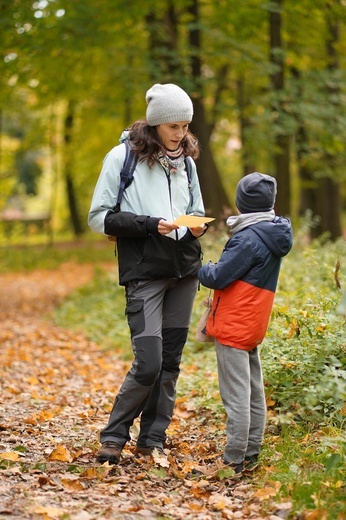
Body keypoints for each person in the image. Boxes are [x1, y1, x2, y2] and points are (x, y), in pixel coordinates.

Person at [88, 83, 207, 465]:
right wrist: (148, 223)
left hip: (184, 270)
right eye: (174, 125)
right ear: (156, 124)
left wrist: (198, 226)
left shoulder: (186, 162)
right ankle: (113, 436)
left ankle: (152, 438)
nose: (181, 133)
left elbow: (198, 208)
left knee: (170, 361)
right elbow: (99, 217)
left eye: (185, 125)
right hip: (145, 272)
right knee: (150, 361)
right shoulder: (122, 158)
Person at [198, 172, 293, 474]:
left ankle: (233, 459)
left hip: (234, 322)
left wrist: (199, 267)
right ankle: (251, 452)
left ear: (241, 204)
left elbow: (219, 276)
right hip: (253, 321)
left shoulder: (248, 238)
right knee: (253, 391)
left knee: (236, 395)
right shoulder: (272, 232)